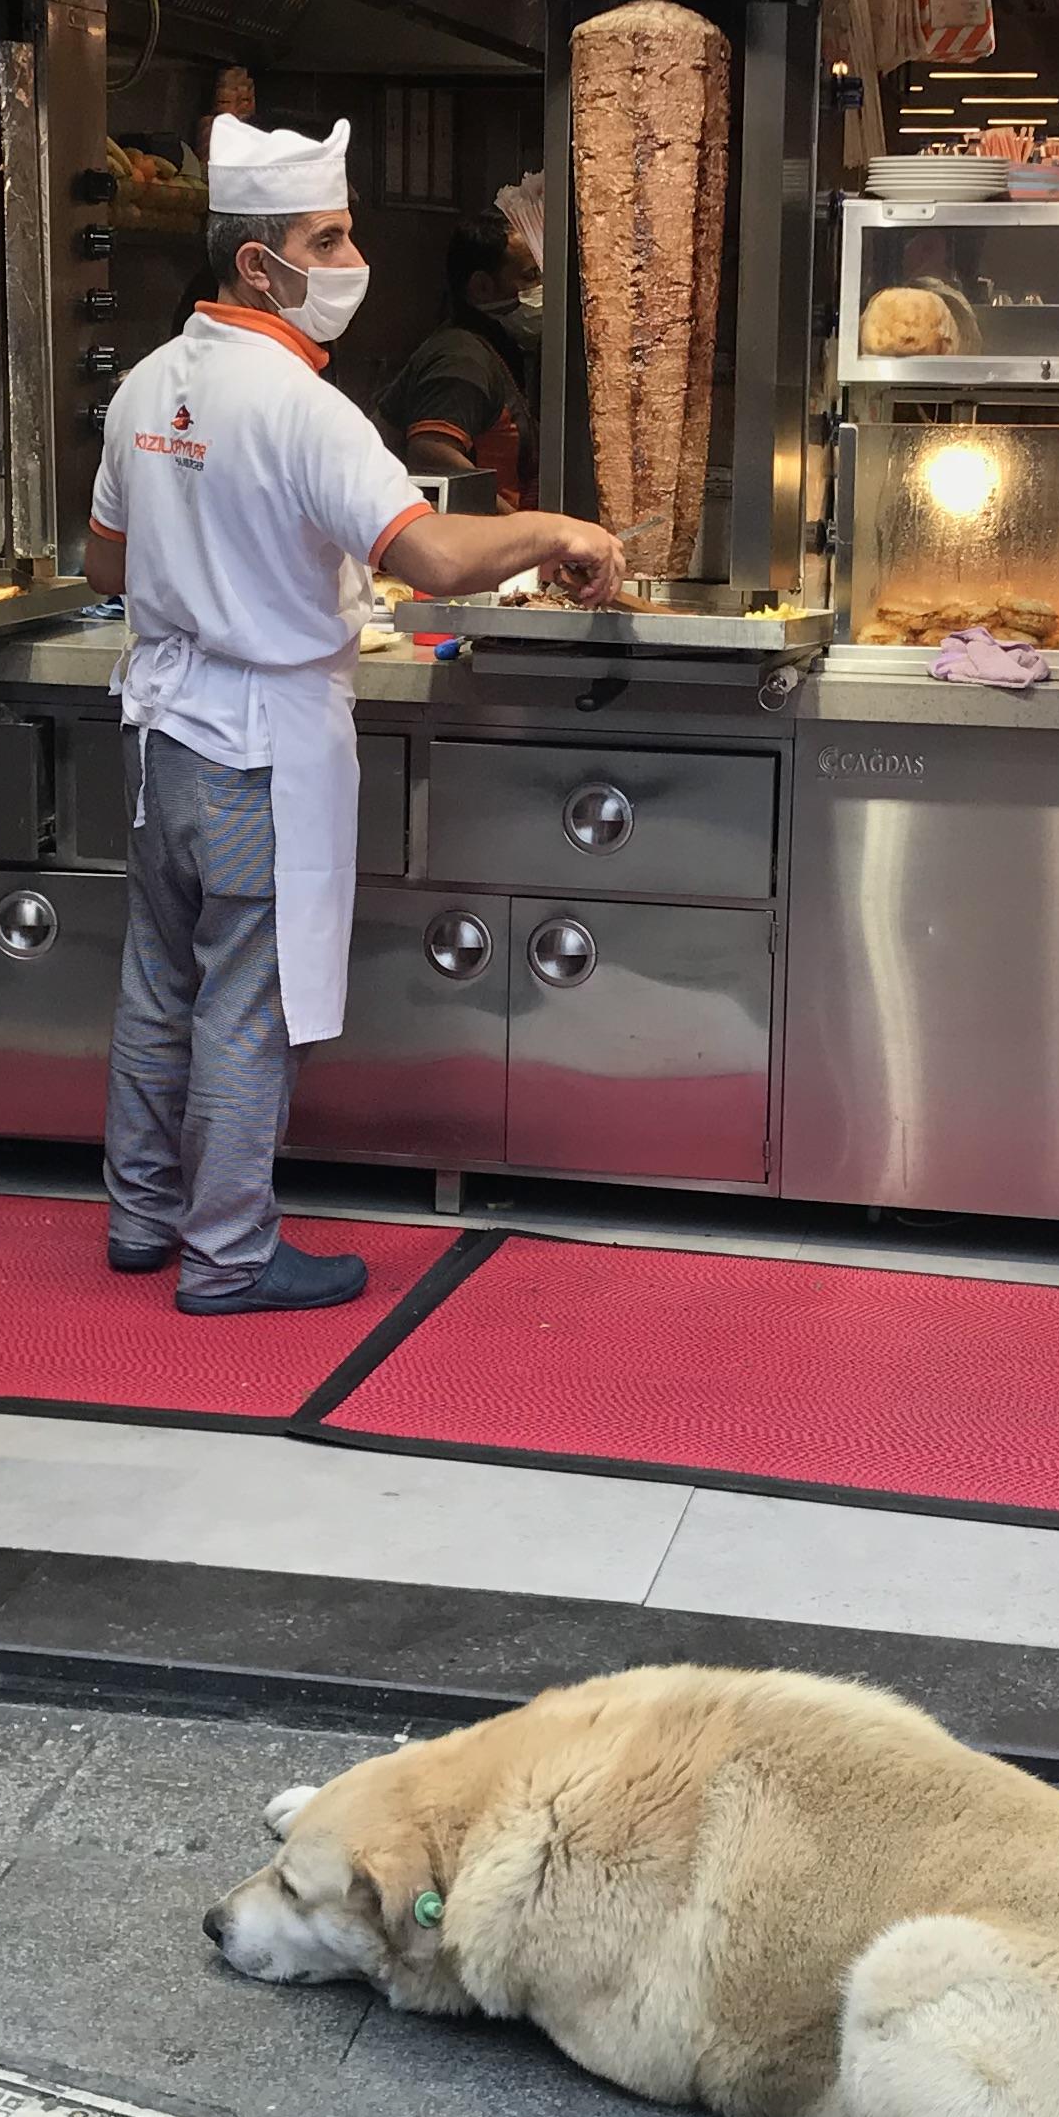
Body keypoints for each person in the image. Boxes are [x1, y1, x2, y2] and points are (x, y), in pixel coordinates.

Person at [84, 115, 624, 1312]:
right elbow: (429, 556)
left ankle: (140, 1221)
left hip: (165, 736)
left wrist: (207, 572)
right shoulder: (300, 408)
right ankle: (227, 1255)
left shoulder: (142, 387)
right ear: (256, 264)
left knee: (158, 981)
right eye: (324, 239)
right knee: (242, 999)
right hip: (258, 750)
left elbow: (103, 566)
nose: (346, 260)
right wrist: (558, 529)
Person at [377, 202, 539, 506]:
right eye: (530, 276)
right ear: (481, 287)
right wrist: (523, 531)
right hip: (483, 543)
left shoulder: (497, 346)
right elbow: (431, 453)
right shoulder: (461, 357)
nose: (542, 288)